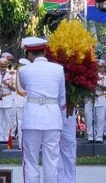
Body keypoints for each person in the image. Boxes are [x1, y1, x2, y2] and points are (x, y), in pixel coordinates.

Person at [18, 37, 66, 183]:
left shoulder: (24, 70)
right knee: (52, 162)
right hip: (52, 118)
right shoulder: (58, 69)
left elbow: (24, 87)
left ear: (29, 54)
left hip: (32, 118)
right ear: (44, 51)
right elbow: (61, 97)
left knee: (30, 161)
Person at [84, 59, 106, 143]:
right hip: (89, 98)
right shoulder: (88, 76)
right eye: (97, 67)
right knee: (89, 118)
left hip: (100, 98)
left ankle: (99, 137)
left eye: (101, 67)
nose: (99, 69)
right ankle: (90, 137)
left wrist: (96, 84)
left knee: (100, 119)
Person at [0, 57, 16, 144]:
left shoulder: (11, 76)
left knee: (7, 119)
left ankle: (6, 138)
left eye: (4, 66)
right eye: (1, 66)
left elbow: (14, 89)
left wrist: (7, 84)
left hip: (7, 98)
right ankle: (0, 138)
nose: (3, 68)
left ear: (6, 67)